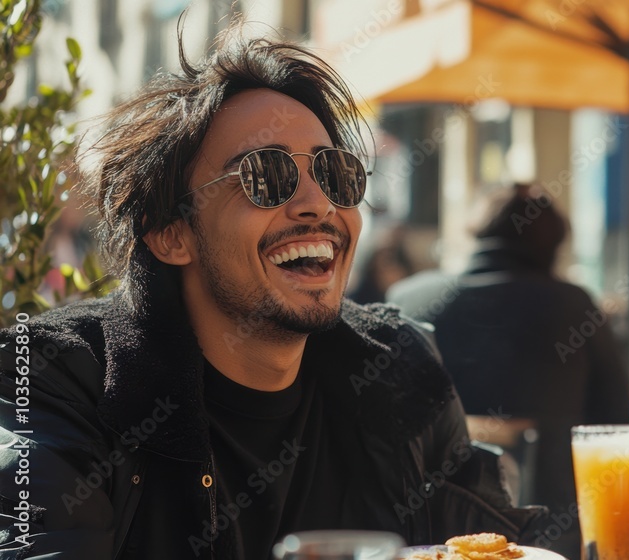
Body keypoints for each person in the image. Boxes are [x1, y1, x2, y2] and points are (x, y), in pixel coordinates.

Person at [0, 18, 544, 559]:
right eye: (265, 174)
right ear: (170, 234)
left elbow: (501, 549)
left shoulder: (400, 371)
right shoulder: (57, 381)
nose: (319, 204)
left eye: (337, 175)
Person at [387, 184, 629, 559]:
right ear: (553, 245)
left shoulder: (409, 300)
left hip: (427, 530)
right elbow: (619, 421)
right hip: (555, 534)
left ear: (476, 232)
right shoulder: (574, 305)